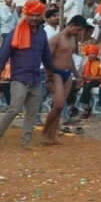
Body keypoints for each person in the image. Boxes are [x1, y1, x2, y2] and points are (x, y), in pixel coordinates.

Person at [0, 0, 55, 150]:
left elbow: (46, 56)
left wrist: (50, 75)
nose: (34, 18)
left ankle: (26, 141)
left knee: (33, 111)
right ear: (26, 14)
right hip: (19, 77)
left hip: (35, 78)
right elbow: (4, 54)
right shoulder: (16, 32)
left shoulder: (42, 34)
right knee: (15, 108)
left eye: (37, 15)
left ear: (41, 16)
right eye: (31, 15)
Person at [41, 16, 86, 144]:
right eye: (78, 29)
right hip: (55, 73)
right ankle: (45, 131)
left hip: (67, 74)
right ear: (71, 25)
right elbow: (46, 59)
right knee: (59, 104)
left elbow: (70, 59)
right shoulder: (56, 38)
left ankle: (52, 135)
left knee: (59, 107)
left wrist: (77, 75)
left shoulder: (72, 39)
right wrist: (48, 77)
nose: (78, 33)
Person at [77, 44, 101, 118]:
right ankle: (71, 107)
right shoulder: (87, 63)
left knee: (87, 86)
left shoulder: (100, 63)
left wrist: (90, 78)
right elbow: (82, 74)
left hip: (96, 81)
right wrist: (83, 77)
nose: (90, 55)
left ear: (96, 54)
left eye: (92, 53)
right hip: (88, 80)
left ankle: (86, 108)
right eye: (88, 54)